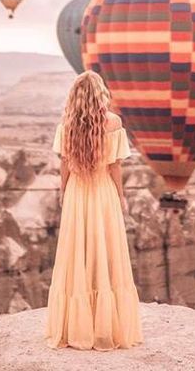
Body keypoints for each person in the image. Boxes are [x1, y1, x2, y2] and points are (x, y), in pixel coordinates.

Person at [45, 70, 143, 350]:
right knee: (106, 251)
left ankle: (74, 327)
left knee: (77, 252)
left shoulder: (66, 125)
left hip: (78, 192)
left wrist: (65, 192)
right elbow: (115, 165)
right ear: (101, 94)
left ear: (75, 96)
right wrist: (121, 197)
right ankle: (106, 327)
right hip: (103, 192)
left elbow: (64, 163)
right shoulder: (113, 123)